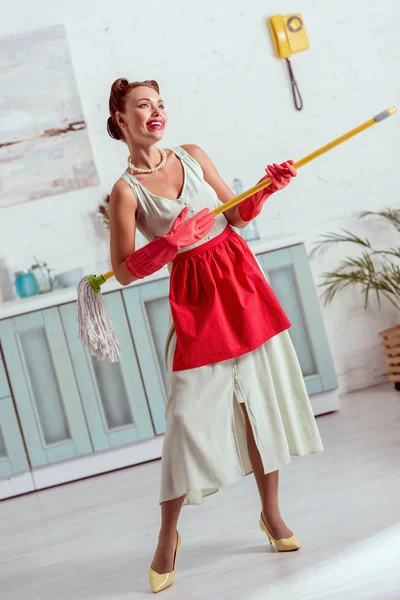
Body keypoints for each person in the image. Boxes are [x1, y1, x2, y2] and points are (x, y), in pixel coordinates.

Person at [107, 78, 324, 594]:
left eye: (160, 105)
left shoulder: (194, 154)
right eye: (143, 106)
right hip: (196, 300)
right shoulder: (124, 191)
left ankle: (271, 516)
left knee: (259, 407)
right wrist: (169, 245)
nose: (155, 113)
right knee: (185, 422)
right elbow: (120, 270)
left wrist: (266, 188)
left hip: (241, 283)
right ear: (120, 118)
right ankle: (167, 538)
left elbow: (237, 216)